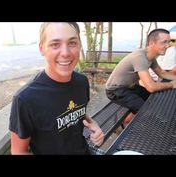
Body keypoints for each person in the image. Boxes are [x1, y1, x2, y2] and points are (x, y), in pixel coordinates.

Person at [9, 22, 104, 155]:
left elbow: (77, 112)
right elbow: (18, 152)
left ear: (79, 45)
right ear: (42, 49)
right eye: (55, 44)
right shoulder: (25, 99)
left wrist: (93, 124)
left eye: (72, 43)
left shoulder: (82, 82)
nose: (65, 53)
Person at [105, 28, 176, 125]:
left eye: (168, 42)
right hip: (115, 90)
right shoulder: (140, 57)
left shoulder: (150, 56)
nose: (168, 46)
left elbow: (162, 73)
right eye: (164, 42)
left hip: (130, 87)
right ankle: (125, 127)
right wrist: (171, 85)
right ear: (152, 43)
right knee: (147, 112)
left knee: (155, 99)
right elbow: (151, 87)